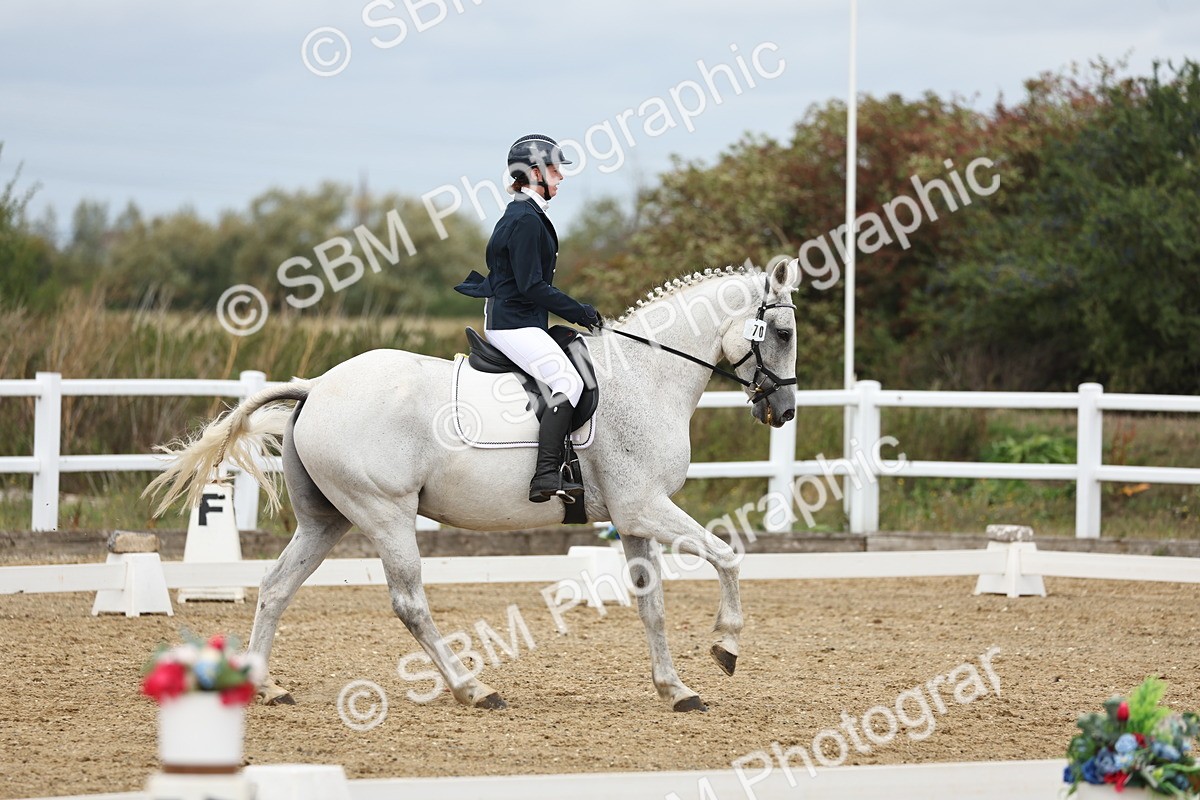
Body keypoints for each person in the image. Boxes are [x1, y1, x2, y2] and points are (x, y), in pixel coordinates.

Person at [455, 134, 602, 503]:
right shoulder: (524, 218)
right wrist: (580, 312)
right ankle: (545, 474)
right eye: (555, 170)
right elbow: (532, 285)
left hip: (523, 319)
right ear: (534, 172)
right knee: (568, 382)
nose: (561, 177)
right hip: (512, 324)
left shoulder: (528, 212)